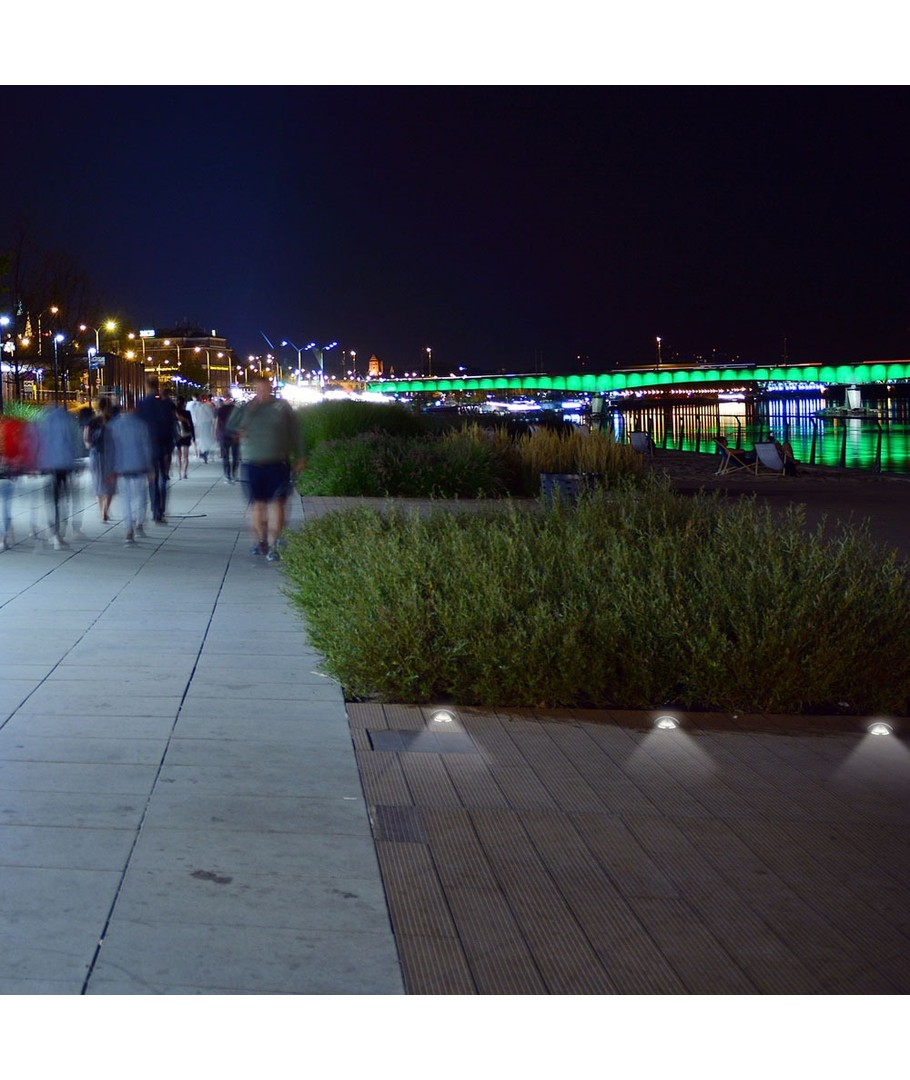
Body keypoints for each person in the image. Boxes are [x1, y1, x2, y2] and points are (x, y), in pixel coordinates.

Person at [226, 376, 303, 562]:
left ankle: (274, 543)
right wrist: (237, 432)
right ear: (255, 389)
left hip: (278, 463)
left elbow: (296, 432)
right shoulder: (245, 408)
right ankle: (261, 541)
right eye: (259, 389)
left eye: (265, 389)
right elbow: (229, 427)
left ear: (270, 389)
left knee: (277, 504)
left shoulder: (282, 408)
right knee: (257, 505)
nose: (262, 393)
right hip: (252, 464)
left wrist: (302, 455)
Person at [33, 403, 82, 549]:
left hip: (49, 463)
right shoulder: (67, 419)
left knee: (52, 500)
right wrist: (75, 461)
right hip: (64, 463)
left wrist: (38, 461)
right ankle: (60, 533)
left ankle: (54, 532)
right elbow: (72, 441)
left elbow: (38, 441)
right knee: (63, 499)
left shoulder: (43, 419)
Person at [108, 403, 154, 544]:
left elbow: (111, 449)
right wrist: (149, 467)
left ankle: (129, 530)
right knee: (140, 497)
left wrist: (112, 468)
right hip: (139, 466)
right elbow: (146, 447)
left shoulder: (114, 426)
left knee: (125, 499)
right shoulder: (141, 425)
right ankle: (139, 523)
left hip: (122, 467)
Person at [135, 377, 177, 523]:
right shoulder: (167, 404)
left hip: (149, 447)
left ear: (146, 386)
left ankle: (155, 508)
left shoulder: (142, 404)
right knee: (163, 478)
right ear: (157, 385)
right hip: (165, 446)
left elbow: (139, 428)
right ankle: (161, 509)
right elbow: (172, 426)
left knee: (152, 478)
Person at [84, 395, 116, 522]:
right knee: (110, 484)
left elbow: (86, 440)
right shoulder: (112, 420)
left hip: (95, 455)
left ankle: (101, 510)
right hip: (110, 455)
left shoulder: (91, 422)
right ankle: (105, 511)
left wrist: (90, 445)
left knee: (98, 483)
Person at [214, 396, 240, 483]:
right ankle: (234, 474)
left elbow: (217, 422)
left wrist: (216, 433)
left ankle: (227, 475)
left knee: (225, 456)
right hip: (235, 435)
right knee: (235, 456)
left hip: (224, 434)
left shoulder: (220, 410)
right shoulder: (236, 410)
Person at [188, 396, 217, 464]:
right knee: (207, 440)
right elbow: (211, 416)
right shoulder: (207, 408)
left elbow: (196, 416)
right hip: (206, 425)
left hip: (200, 425)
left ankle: (203, 453)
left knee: (203, 440)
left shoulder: (199, 408)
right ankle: (205, 454)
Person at [174, 396, 195, 479]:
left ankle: (179, 473)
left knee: (178, 455)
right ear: (184, 404)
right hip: (186, 434)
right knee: (185, 455)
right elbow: (191, 425)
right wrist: (193, 436)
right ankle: (184, 473)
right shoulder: (187, 413)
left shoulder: (174, 413)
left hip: (177, 435)